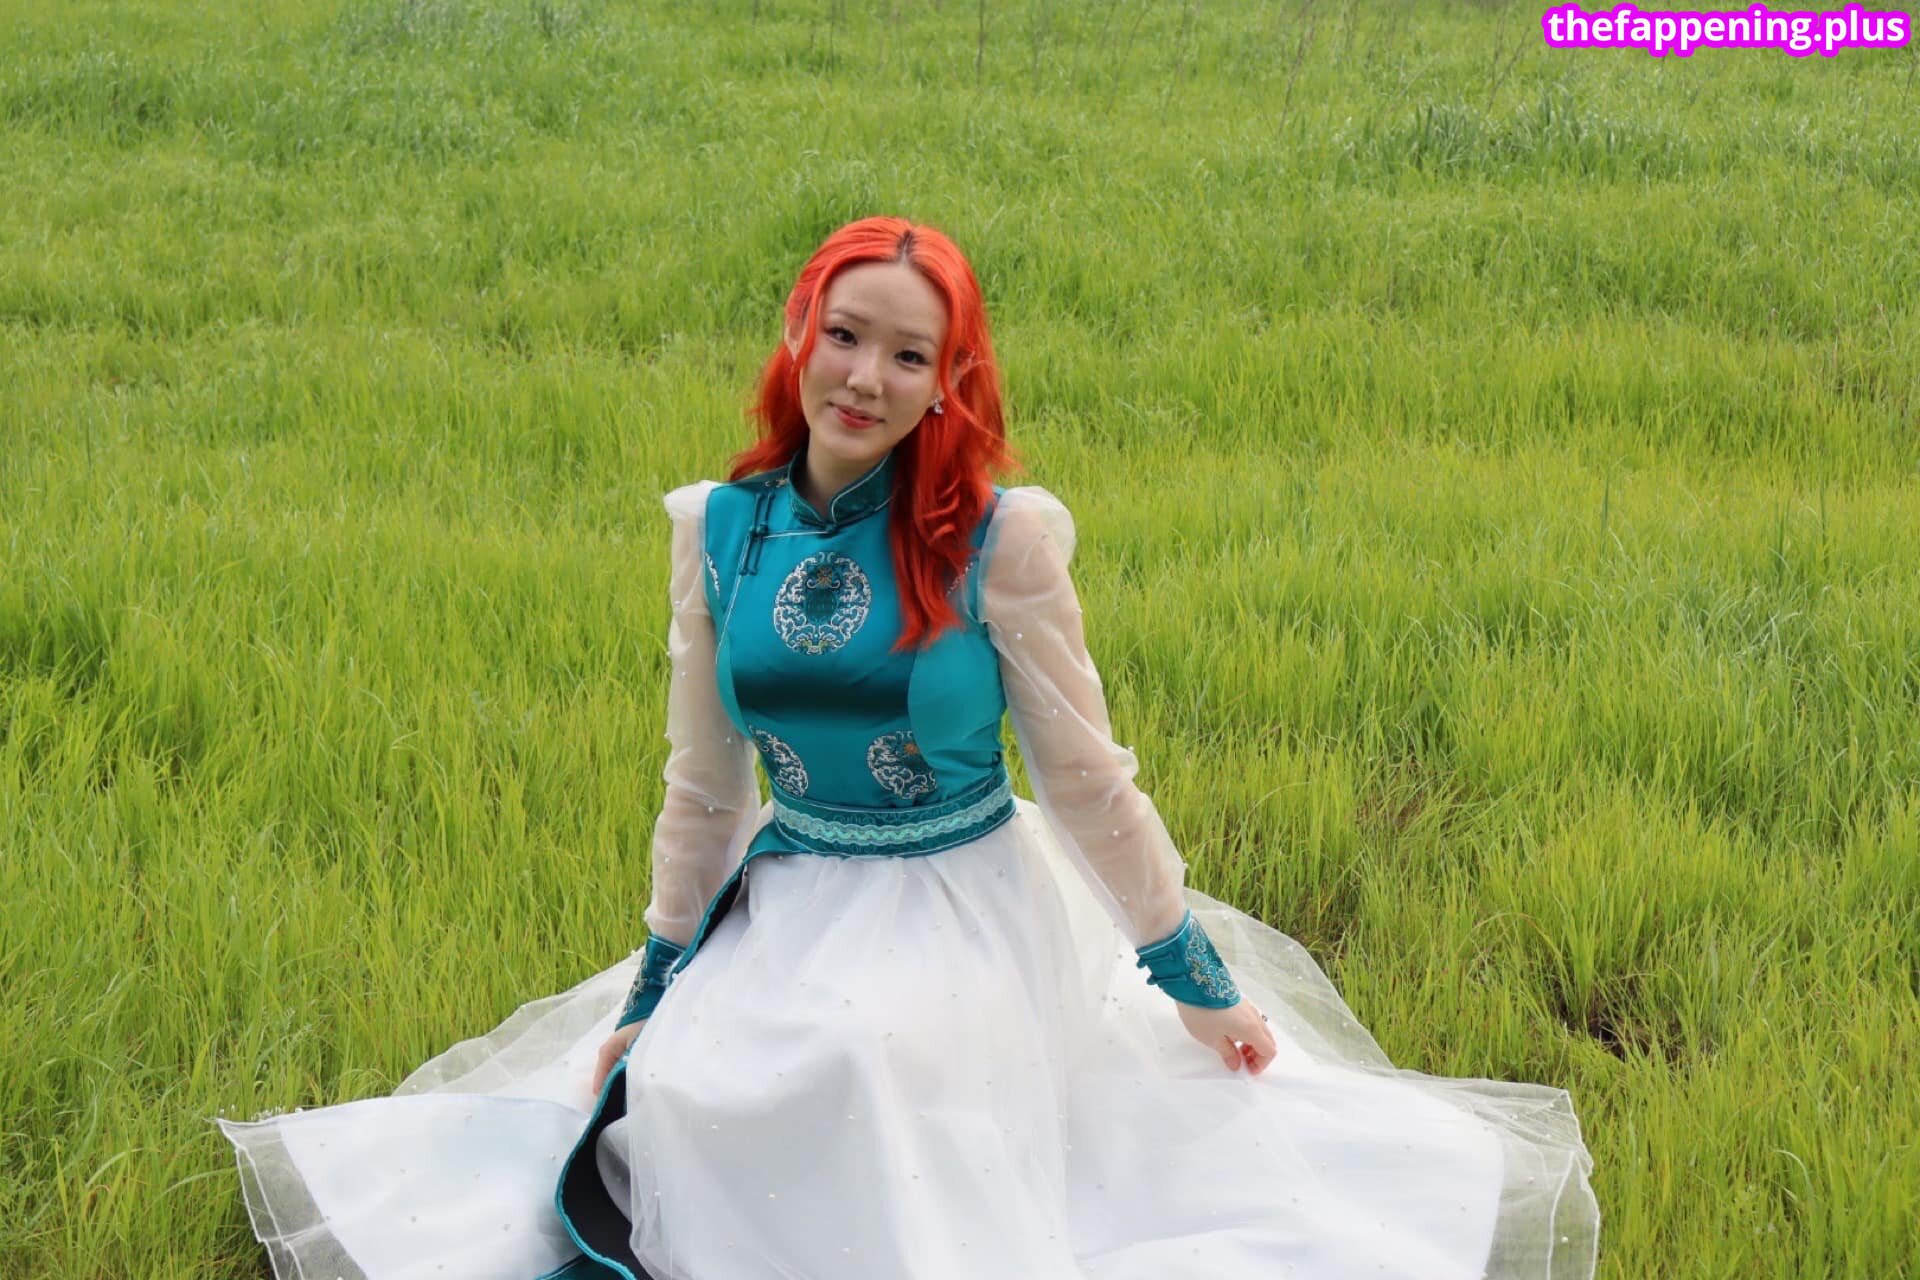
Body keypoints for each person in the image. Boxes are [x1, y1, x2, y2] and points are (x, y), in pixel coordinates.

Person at [216, 216, 1599, 1280]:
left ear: (950, 382)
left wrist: (1190, 976)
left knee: (861, 1062)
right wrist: (653, 983)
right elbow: (703, 786)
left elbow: (1086, 779)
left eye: (908, 355)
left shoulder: (1002, 538)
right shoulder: (721, 528)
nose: (864, 378)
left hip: (965, 897)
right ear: (797, 334)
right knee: (687, 1081)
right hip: (792, 891)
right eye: (845, 336)